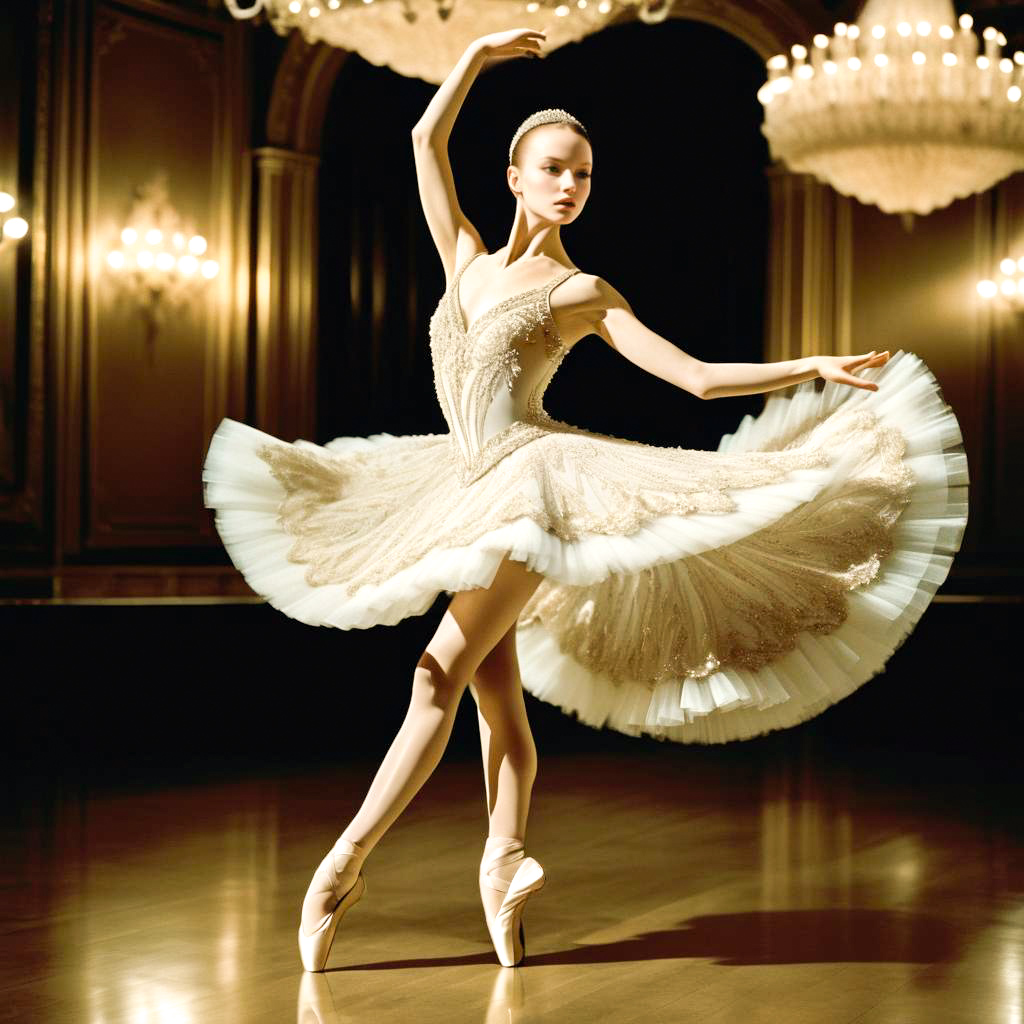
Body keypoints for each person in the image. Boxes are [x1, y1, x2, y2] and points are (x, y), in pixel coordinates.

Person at [201, 28, 969, 972]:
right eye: (554, 170)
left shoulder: (582, 290)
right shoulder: (468, 260)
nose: (570, 186)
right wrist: (477, 53)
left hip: (535, 485)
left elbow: (691, 378)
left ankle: (342, 864)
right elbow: (420, 142)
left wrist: (808, 362)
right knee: (499, 709)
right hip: (462, 481)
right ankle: (507, 864)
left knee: (433, 675)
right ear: (516, 175)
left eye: (585, 175)